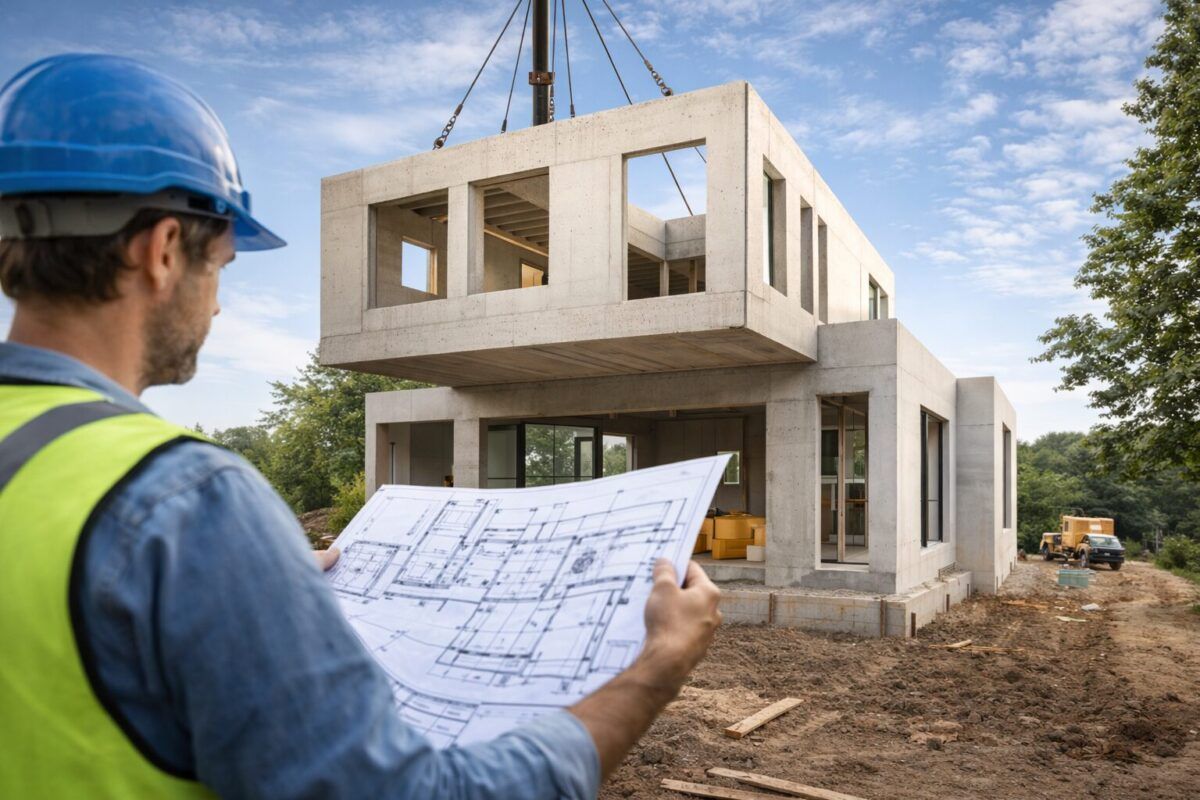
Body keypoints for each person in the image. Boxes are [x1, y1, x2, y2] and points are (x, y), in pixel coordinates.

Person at [0, 54, 722, 799]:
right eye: (221, 263)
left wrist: (245, 580)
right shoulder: (186, 504)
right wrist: (655, 667)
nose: (216, 306)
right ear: (161, 251)